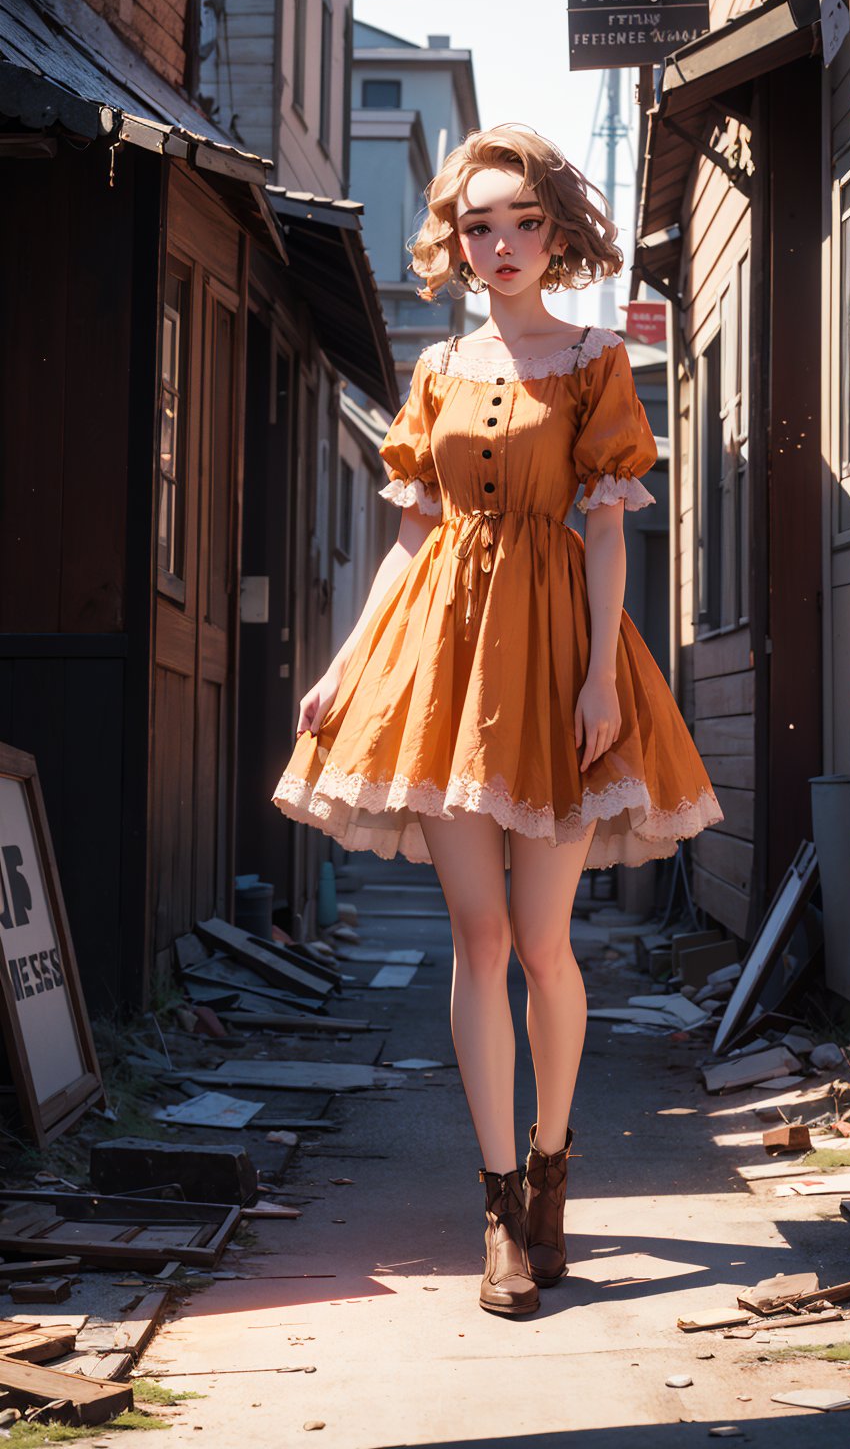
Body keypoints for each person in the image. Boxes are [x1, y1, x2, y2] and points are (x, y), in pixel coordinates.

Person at [273, 123, 722, 1319]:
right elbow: (410, 538)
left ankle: (555, 1163)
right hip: (447, 659)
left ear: (555, 230)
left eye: (523, 220)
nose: (502, 242)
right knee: (475, 937)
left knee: (541, 941)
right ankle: (496, 1206)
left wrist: (597, 681)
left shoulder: (590, 358)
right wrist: (347, 658)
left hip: (560, 650)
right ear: (456, 239)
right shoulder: (438, 368)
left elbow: (610, 528)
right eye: (480, 223)